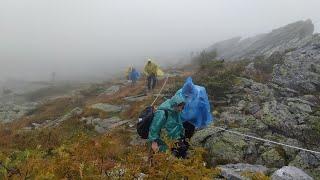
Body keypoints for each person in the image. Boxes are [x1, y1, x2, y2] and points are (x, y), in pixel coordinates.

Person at [148, 92, 189, 158]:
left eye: (183, 108)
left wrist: (181, 136)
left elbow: (179, 124)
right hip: (163, 141)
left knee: (182, 153)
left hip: (174, 139)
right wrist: (154, 142)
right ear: (175, 105)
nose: (181, 110)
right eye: (180, 107)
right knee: (162, 158)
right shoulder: (162, 113)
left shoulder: (176, 111)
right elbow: (154, 128)